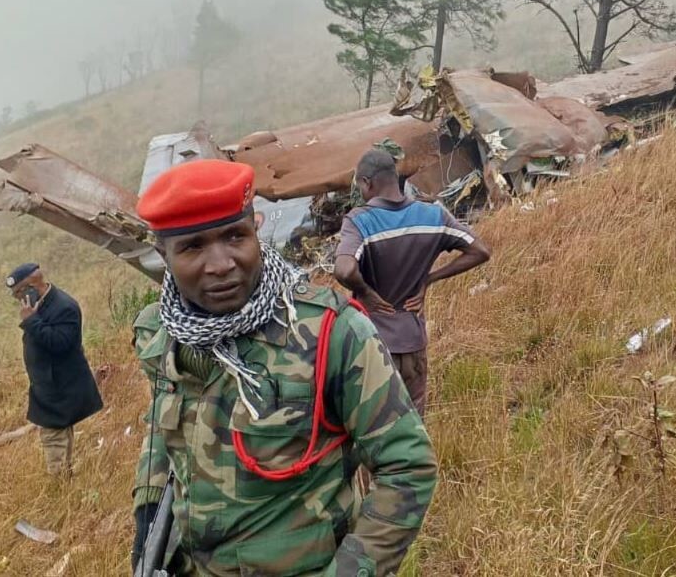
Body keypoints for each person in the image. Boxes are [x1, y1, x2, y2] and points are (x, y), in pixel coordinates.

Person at [130, 159, 437, 576]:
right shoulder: (161, 335)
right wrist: (148, 518)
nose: (220, 263)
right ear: (161, 253)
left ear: (257, 230)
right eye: (193, 246)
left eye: (234, 236)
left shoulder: (331, 331)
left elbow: (408, 465)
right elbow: (163, 436)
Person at [334, 149, 491, 414]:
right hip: (413, 340)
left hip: (373, 344)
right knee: (415, 424)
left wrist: (365, 292)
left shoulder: (360, 221)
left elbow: (345, 270)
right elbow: (480, 251)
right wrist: (428, 279)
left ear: (366, 182)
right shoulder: (433, 216)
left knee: (377, 425)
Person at [7, 263, 103, 475]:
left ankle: (59, 487)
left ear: (30, 287)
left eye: (17, 294)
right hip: (49, 387)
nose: (17, 300)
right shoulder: (40, 305)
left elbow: (60, 343)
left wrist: (31, 321)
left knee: (53, 439)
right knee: (60, 435)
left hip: (60, 389)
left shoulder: (64, 307)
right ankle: (65, 477)